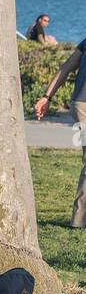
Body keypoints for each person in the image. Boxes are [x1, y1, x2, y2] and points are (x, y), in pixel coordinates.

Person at [34, 35, 86, 228]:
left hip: (79, 105)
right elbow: (66, 67)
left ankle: (79, 219)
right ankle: (79, 220)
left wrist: (47, 97)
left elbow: (66, 67)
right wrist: (46, 97)